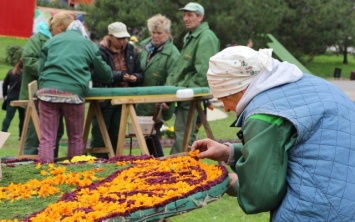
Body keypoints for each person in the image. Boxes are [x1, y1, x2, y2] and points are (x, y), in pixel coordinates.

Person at [191, 46, 355, 221]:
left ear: (239, 88)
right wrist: (229, 152)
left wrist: (230, 182)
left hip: (317, 210)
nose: (226, 107)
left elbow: (260, 195)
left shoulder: (263, 113)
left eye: (224, 98)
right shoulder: (310, 85)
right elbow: (291, 151)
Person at [37, 20, 113, 163]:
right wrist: (111, 75)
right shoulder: (88, 44)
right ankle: (75, 172)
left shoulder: (52, 41)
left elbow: (40, 68)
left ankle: (44, 173)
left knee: (47, 138)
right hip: (73, 94)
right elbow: (104, 73)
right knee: (75, 137)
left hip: (47, 92)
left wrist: (44, 84)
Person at [20, 12, 76, 157]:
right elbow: (28, 60)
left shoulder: (65, 41)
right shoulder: (38, 39)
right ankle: (28, 163)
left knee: (57, 132)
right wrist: (51, 70)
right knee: (35, 133)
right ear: (58, 27)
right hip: (36, 93)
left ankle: (52, 162)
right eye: (65, 30)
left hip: (58, 93)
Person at [166, 2, 220, 154]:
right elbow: (181, 69)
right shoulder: (191, 36)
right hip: (186, 93)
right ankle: (183, 167)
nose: (185, 18)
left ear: (200, 17)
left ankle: (179, 168)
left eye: (190, 15)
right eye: (184, 15)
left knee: (184, 135)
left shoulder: (206, 37)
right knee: (184, 134)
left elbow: (204, 72)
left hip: (191, 95)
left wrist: (186, 91)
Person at [90, 22, 144, 158]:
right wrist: (119, 76)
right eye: (119, 38)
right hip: (104, 100)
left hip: (124, 100)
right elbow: (96, 74)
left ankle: (114, 162)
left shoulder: (131, 50)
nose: (123, 41)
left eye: (125, 37)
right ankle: (96, 164)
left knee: (117, 134)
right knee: (100, 136)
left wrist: (135, 78)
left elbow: (140, 72)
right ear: (110, 36)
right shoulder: (99, 51)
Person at [135, 14, 180, 157]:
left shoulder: (173, 54)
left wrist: (165, 101)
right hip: (141, 102)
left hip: (158, 104)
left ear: (167, 33)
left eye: (159, 33)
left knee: (151, 136)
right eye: (153, 32)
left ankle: (160, 165)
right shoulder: (143, 47)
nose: (155, 36)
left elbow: (172, 79)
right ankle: (151, 166)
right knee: (145, 138)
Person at [1, 59, 25, 139]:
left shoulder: (11, 71)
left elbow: (4, 84)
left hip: (11, 97)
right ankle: (21, 136)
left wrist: (4, 94)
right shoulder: (26, 74)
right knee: (22, 118)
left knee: (8, 117)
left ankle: (3, 133)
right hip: (22, 98)